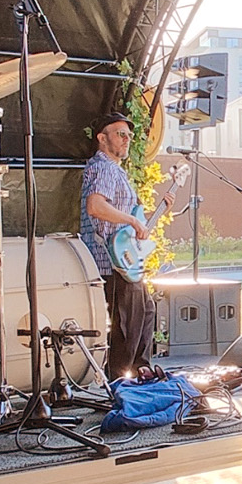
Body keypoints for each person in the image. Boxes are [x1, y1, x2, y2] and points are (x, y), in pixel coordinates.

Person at [81, 112, 157, 380]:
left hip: (123, 258)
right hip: (111, 259)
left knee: (145, 312)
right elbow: (95, 206)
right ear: (102, 138)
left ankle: (139, 372)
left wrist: (137, 222)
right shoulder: (104, 168)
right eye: (120, 134)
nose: (127, 139)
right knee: (127, 325)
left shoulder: (114, 170)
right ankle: (121, 382)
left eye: (129, 135)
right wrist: (132, 221)